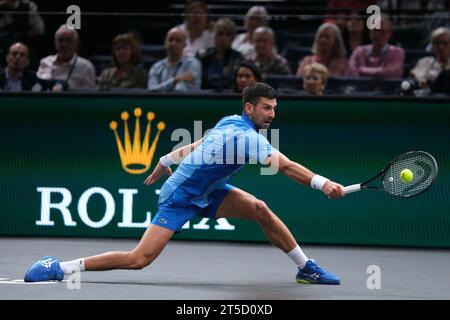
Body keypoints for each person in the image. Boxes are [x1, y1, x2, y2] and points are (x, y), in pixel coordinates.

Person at [23, 82, 344, 285]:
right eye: (266, 108)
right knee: (139, 260)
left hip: (211, 191)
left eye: (274, 108)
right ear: (249, 108)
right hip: (180, 196)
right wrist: (323, 183)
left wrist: (165, 160)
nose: (272, 114)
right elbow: (286, 167)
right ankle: (60, 267)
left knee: (260, 209)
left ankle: (306, 268)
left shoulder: (229, 121)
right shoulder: (248, 137)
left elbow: (198, 144)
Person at [36, 24, 96, 91]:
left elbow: (89, 95)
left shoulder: (86, 67)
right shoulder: (45, 62)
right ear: (55, 44)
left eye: (69, 40)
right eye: (61, 40)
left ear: (76, 44)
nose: (64, 44)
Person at [347, 14, 404, 79]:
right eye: (375, 30)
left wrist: (361, 70)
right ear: (370, 32)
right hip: (360, 88)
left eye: (381, 31)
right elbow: (350, 72)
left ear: (389, 34)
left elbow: (391, 73)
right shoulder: (359, 51)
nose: (377, 35)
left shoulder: (397, 52)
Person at [147, 27, 201, 92]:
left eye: (178, 40)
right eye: (170, 40)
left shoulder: (193, 64)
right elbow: (152, 90)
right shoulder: (155, 68)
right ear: (165, 42)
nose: (173, 44)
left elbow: (185, 91)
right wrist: (175, 80)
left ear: (185, 45)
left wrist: (164, 86)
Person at [197, 18, 243, 91]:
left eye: (228, 35)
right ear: (214, 35)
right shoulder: (202, 55)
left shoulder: (237, 58)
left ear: (233, 38)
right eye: (220, 33)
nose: (223, 38)